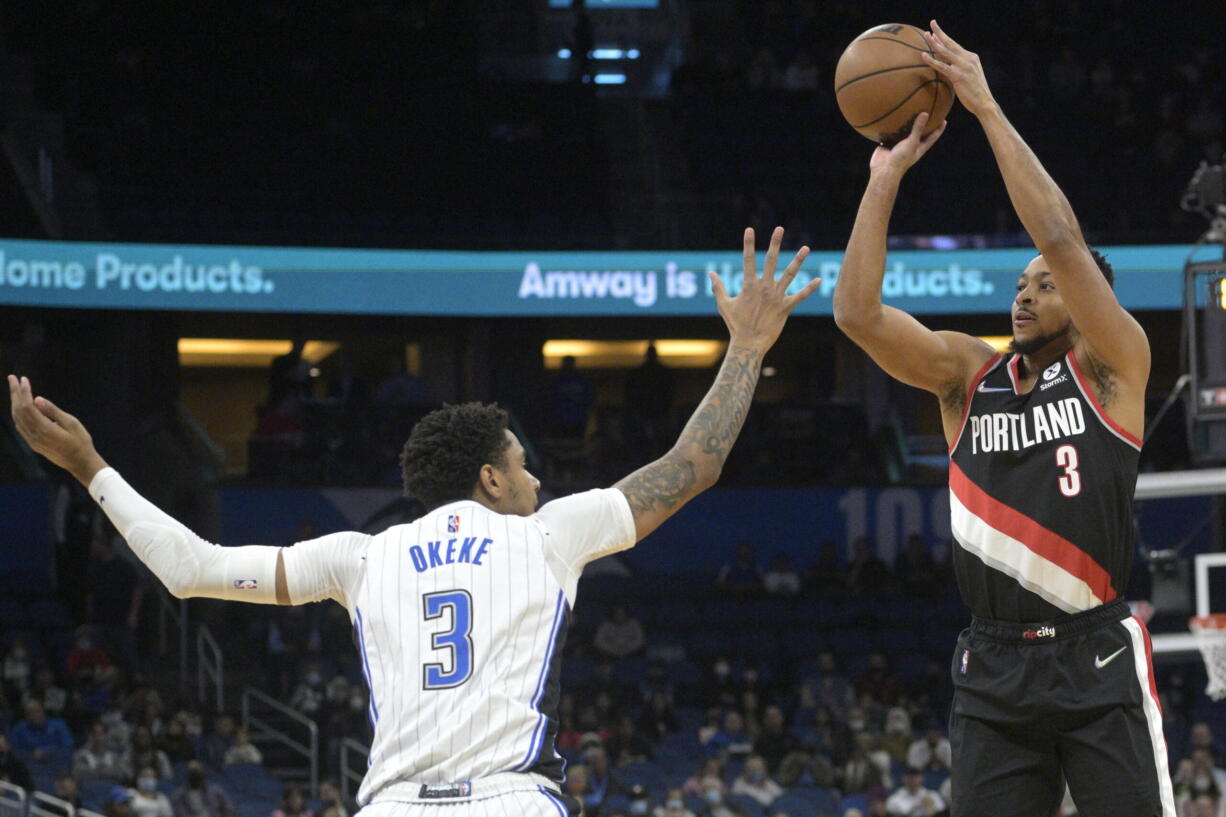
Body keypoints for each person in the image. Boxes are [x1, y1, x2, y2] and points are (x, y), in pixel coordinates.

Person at [7, 227, 819, 817]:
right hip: (511, 799)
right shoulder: (548, 534)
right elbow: (694, 463)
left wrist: (88, 466)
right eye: (524, 463)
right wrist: (747, 345)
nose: (538, 478)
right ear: (490, 477)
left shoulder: (362, 558)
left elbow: (189, 568)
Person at [832, 20, 1170, 817]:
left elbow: (1057, 233)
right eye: (1020, 283)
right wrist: (885, 176)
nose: (1025, 292)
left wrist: (983, 105)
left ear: (1088, 303)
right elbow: (856, 313)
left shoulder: (1115, 365)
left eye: (1046, 285)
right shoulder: (966, 377)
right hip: (990, 666)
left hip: (1095, 655)